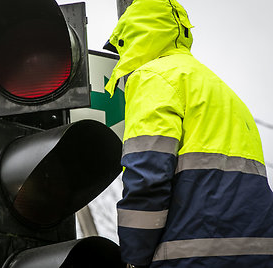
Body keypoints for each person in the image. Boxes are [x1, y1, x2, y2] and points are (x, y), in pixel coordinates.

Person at [103, 0, 273, 267]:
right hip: (258, 252)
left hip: (191, 255)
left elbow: (147, 175)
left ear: (129, 40)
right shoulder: (220, 88)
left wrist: (134, 257)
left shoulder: (152, 77)